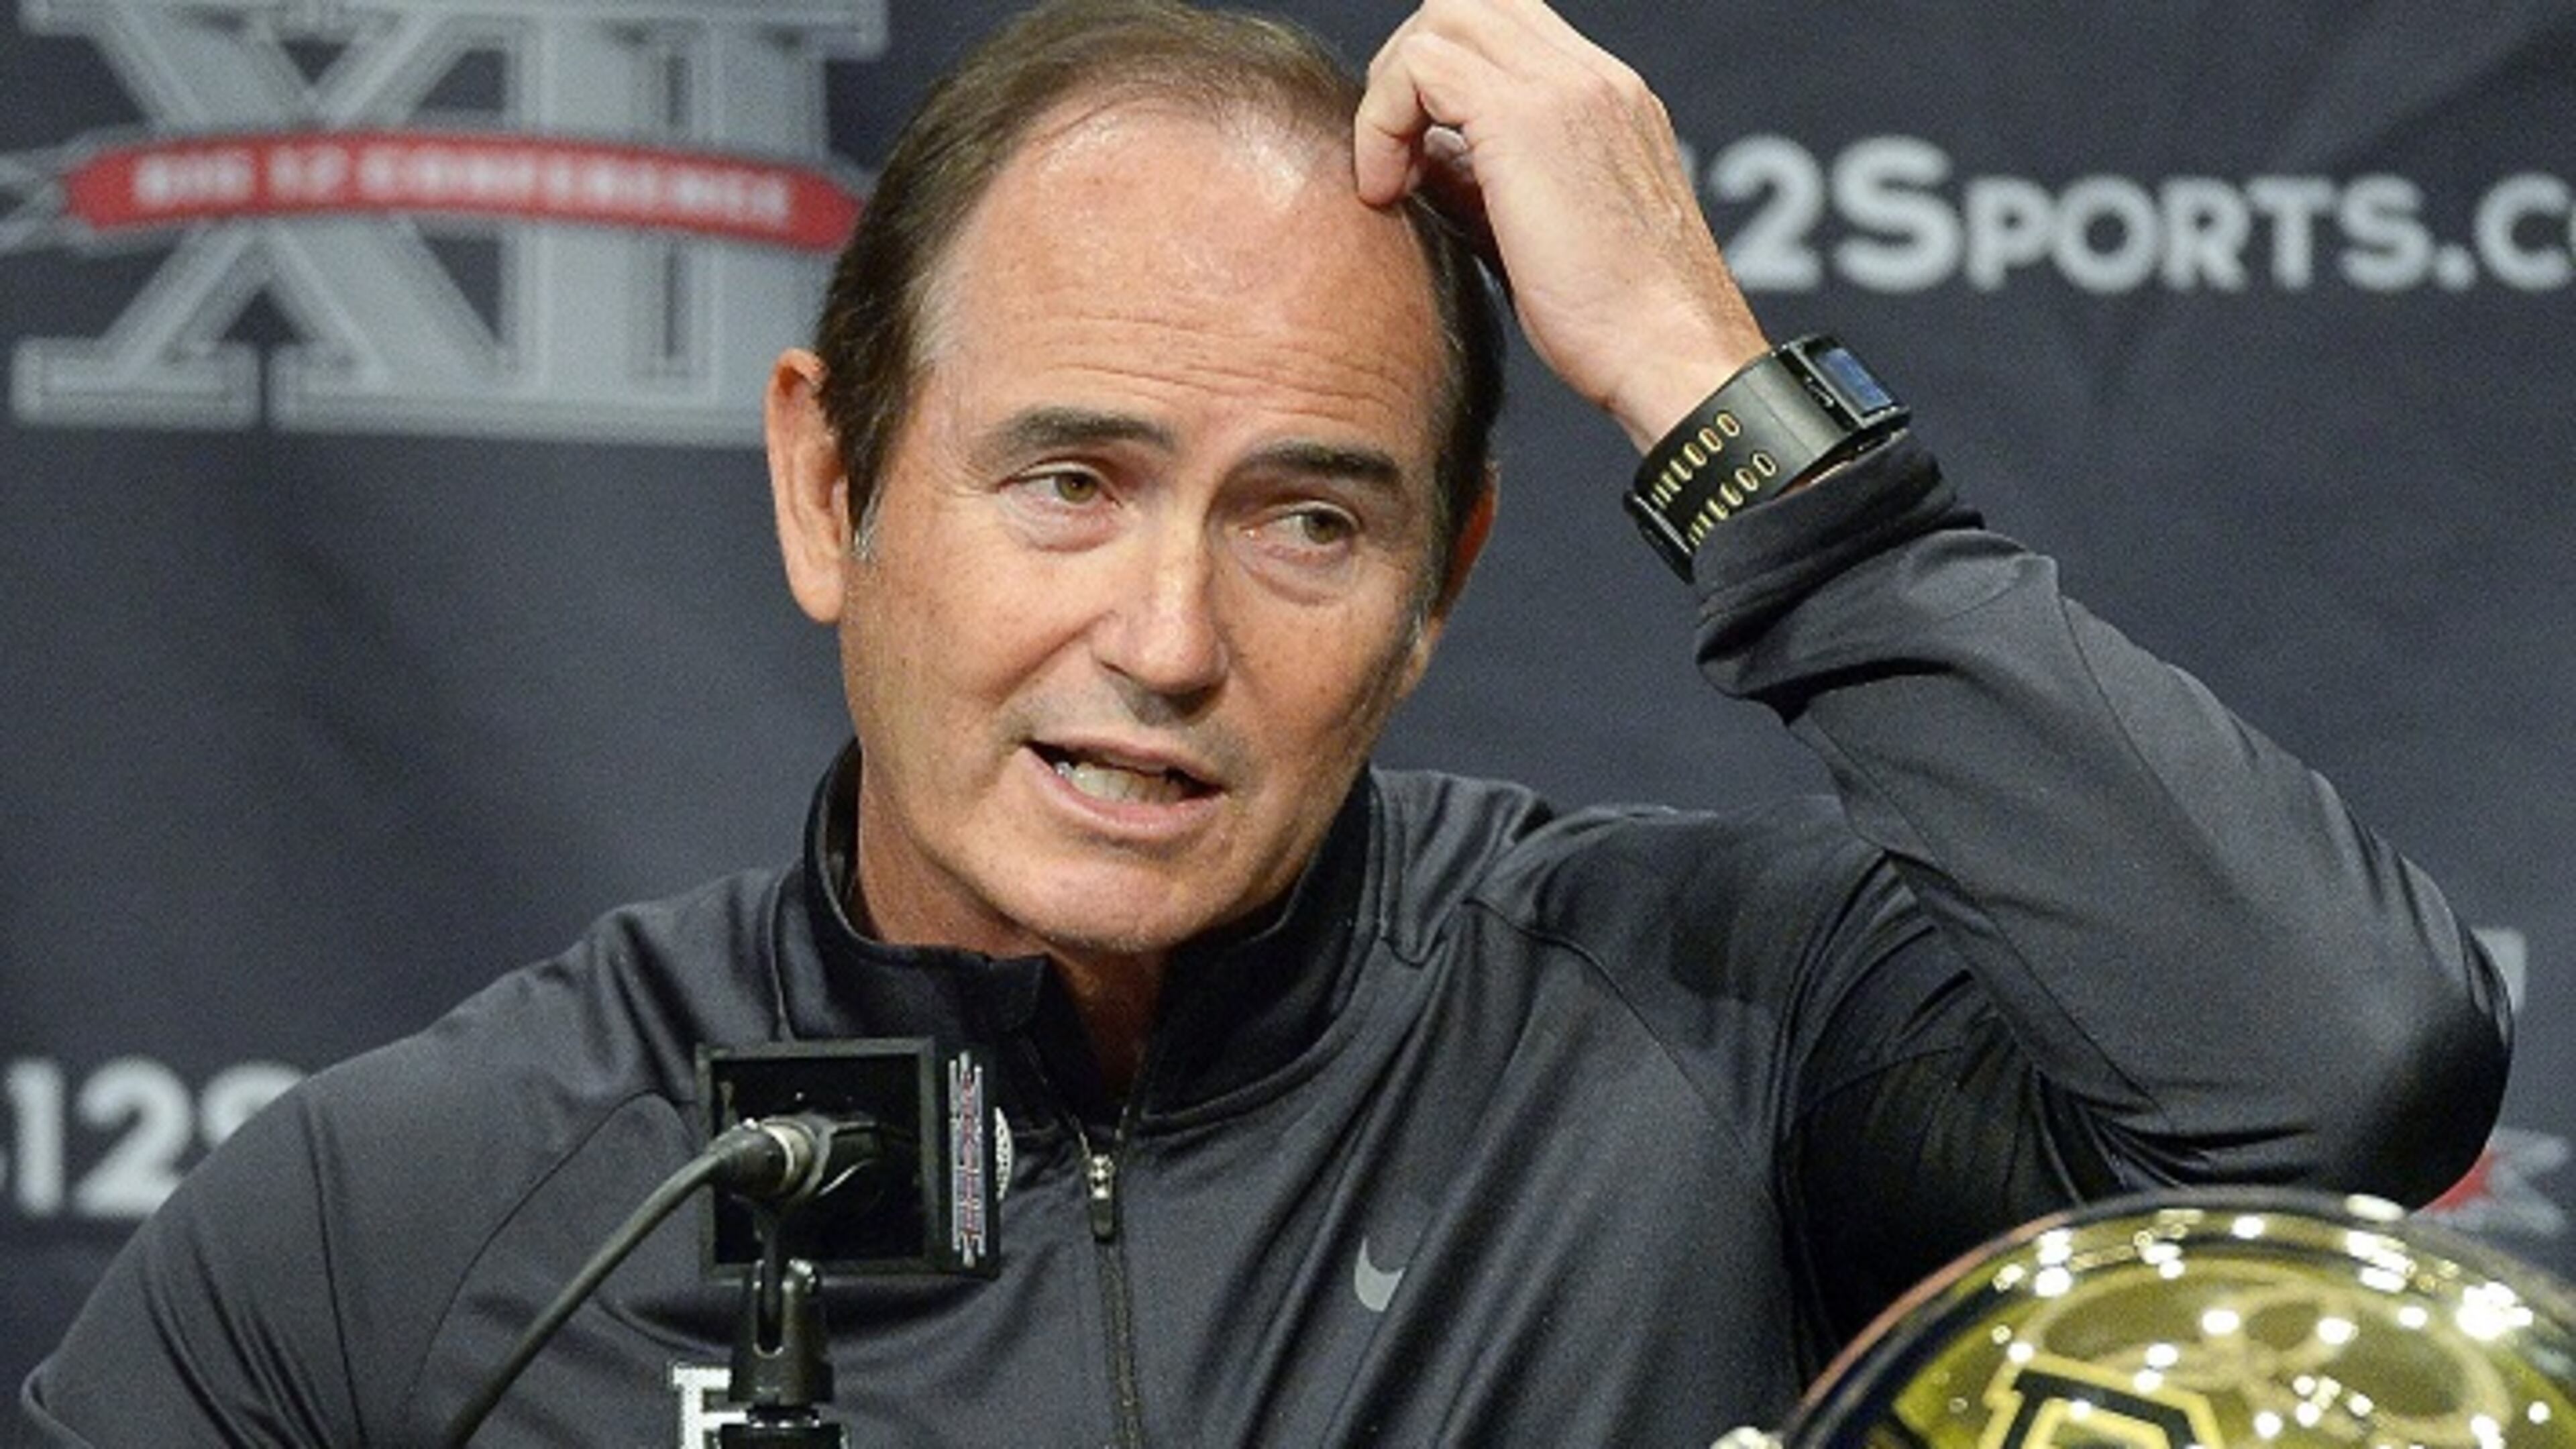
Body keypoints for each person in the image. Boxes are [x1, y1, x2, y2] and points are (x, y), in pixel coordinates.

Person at [17, 0, 2512, 1444]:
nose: (1170, 638)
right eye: (1069, 480)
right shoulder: (442, 1216)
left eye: (1310, 519)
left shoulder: (1709, 1030)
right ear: (829, 485)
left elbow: (2334, 1073)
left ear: (1442, 587)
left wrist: (1697, 375)